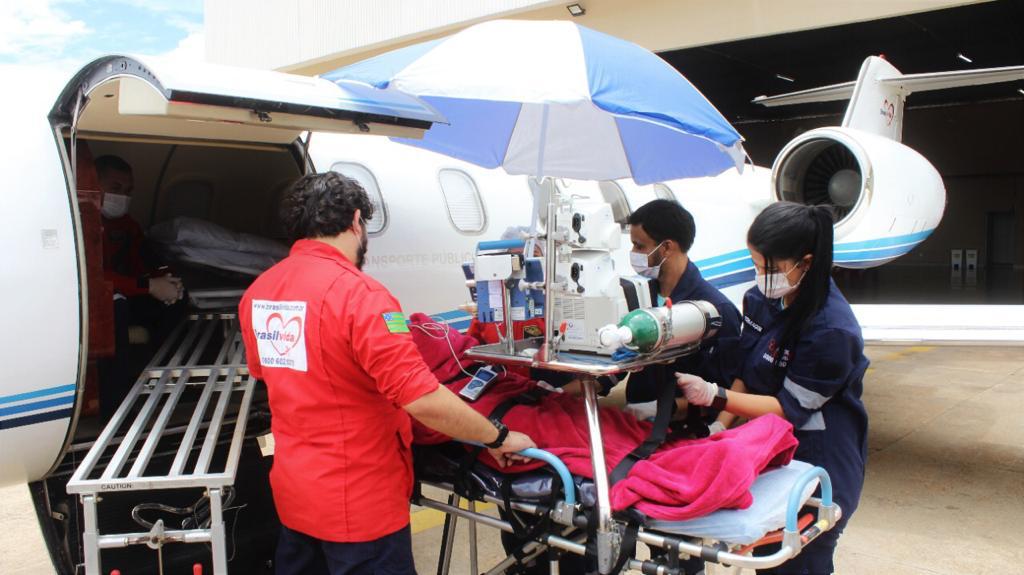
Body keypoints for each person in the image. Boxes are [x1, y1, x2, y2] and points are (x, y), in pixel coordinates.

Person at [238, 172, 536, 575]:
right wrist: (497, 436)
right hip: (360, 504)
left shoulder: (260, 292)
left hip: (296, 494)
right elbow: (422, 398)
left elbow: (271, 374)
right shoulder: (361, 296)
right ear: (356, 221)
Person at [676, 202, 869, 574]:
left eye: (771, 267)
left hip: (818, 459)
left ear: (806, 263)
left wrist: (714, 395)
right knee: (766, 558)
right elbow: (748, 371)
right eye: (755, 262)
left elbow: (789, 409)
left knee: (799, 562)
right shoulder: (759, 299)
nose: (761, 274)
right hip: (765, 451)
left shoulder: (832, 331)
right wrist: (720, 425)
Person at [623, 199, 742, 421]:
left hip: (682, 431)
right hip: (632, 420)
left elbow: (725, 394)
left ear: (666, 247)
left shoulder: (717, 311)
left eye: (639, 246)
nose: (633, 252)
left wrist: (667, 409)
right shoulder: (636, 296)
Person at [95, 155, 185, 417]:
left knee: (177, 301)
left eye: (128, 191)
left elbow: (145, 261)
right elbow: (96, 276)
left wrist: (166, 279)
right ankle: (116, 406)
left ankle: (164, 387)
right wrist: (147, 286)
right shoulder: (84, 225)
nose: (122, 197)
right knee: (117, 307)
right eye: (115, 189)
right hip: (100, 302)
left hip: (130, 291)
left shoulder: (128, 225)